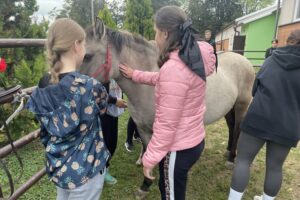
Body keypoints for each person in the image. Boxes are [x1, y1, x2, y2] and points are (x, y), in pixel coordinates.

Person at [120, 6, 216, 200]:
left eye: (155, 32)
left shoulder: (174, 68)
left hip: (177, 149)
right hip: (194, 138)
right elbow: (167, 79)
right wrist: (135, 74)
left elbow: (166, 125)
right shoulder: (191, 58)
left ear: (165, 33)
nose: (155, 38)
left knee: (171, 195)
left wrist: (149, 158)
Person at [26, 18, 110, 200]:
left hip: (59, 168)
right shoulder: (90, 86)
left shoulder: (42, 84)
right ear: (76, 45)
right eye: (84, 44)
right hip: (86, 172)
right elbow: (103, 108)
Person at [227, 30, 300, 200]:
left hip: (258, 118)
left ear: (288, 41)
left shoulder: (271, 59)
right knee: (275, 167)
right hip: (288, 124)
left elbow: (254, 89)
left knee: (243, 161)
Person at [101, 79, 126, 185]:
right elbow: (98, 93)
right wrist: (114, 100)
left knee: (112, 144)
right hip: (104, 113)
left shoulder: (116, 71)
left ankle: (104, 168)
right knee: (105, 144)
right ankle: (102, 171)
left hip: (113, 112)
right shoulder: (102, 72)